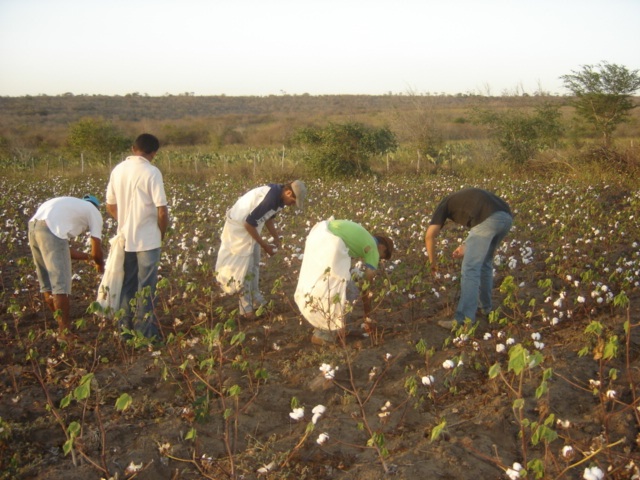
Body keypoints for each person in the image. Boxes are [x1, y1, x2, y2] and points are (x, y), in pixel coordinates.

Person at [106, 133, 169, 340]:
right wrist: (161, 233)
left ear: (134, 149)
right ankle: (146, 333)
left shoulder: (118, 170)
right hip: (148, 239)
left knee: (128, 284)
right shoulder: (152, 172)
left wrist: (124, 221)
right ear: (153, 153)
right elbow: (162, 210)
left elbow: (110, 205)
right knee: (147, 287)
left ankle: (125, 331)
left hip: (125, 237)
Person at [215, 180, 307, 320]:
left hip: (249, 228)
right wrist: (265, 245)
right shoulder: (270, 198)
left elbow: (268, 218)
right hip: (239, 230)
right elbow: (248, 224)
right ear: (288, 192)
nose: (292, 204)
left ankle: (256, 299)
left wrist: (276, 238)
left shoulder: (279, 197)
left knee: (255, 264)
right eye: (293, 201)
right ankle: (246, 309)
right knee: (245, 269)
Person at [294, 219, 394, 346]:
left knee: (329, 285)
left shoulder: (362, 238)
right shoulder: (373, 249)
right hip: (330, 242)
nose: (378, 260)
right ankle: (323, 334)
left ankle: (341, 327)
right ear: (382, 247)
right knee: (334, 289)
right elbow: (366, 287)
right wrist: (368, 316)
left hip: (318, 233)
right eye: (382, 256)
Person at [425, 187, 513, 329]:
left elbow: (430, 235)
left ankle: (463, 320)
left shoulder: (444, 204)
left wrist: (432, 263)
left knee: (470, 269)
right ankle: (486, 308)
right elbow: (480, 226)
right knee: (485, 263)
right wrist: (466, 246)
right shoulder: (462, 199)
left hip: (489, 219)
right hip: (506, 217)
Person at [28, 195, 105, 339]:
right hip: (49, 229)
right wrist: (100, 263)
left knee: (47, 283)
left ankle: (61, 325)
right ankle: (65, 333)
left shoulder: (69, 206)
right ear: (96, 206)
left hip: (33, 226)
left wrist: (88, 258)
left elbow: (62, 249)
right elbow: (97, 248)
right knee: (60, 285)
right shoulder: (93, 211)